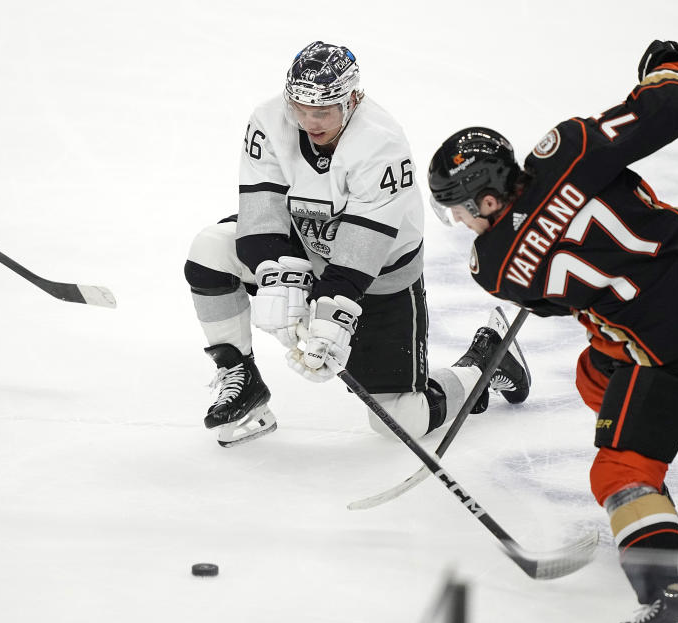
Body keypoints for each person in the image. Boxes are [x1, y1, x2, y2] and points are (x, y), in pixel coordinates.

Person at [427, 40, 678, 623]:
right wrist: (670, 68)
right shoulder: (566, 148)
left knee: (618, 471)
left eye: (461, 210)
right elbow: (673, 107)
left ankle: (667, 597)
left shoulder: (495, 268)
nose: (460, 223)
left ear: (487, 199)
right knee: (593, 375)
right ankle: (650, 474)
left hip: (666, 344)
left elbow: (549, 304)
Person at [183, 41, 531, 448]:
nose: (310, 122)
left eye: (323, 112)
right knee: (209, 249)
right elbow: (262, 208)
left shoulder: (380, 142)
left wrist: (332, 318)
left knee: (401, 420)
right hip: (306, 247)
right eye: (300, 108)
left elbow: (361, 247)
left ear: (352, 99)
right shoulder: (268, 118)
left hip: (378, 275)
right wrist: (276, 275)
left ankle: (485, 362)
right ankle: (243, 384)